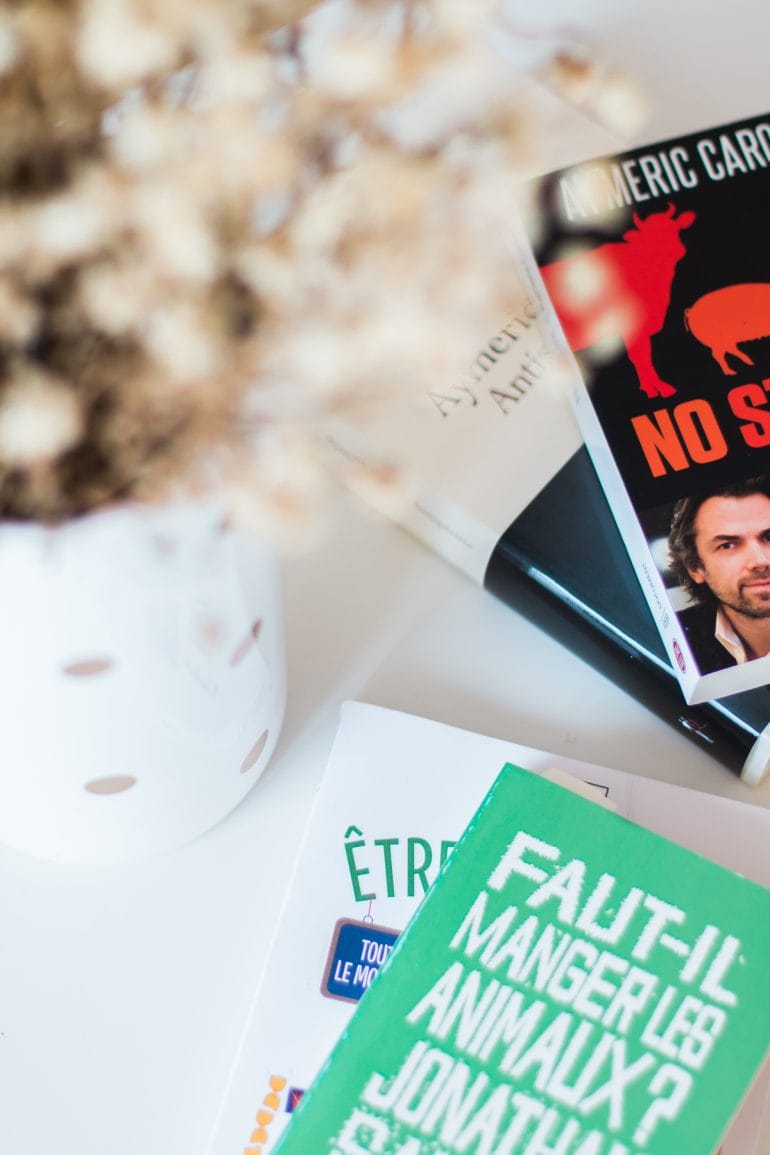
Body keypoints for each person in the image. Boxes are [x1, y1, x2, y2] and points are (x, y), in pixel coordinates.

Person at [668, 476, 770, 673]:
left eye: (769, 537)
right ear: (695, 568)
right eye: (728, 545)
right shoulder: (676, 639)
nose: (760, 561)